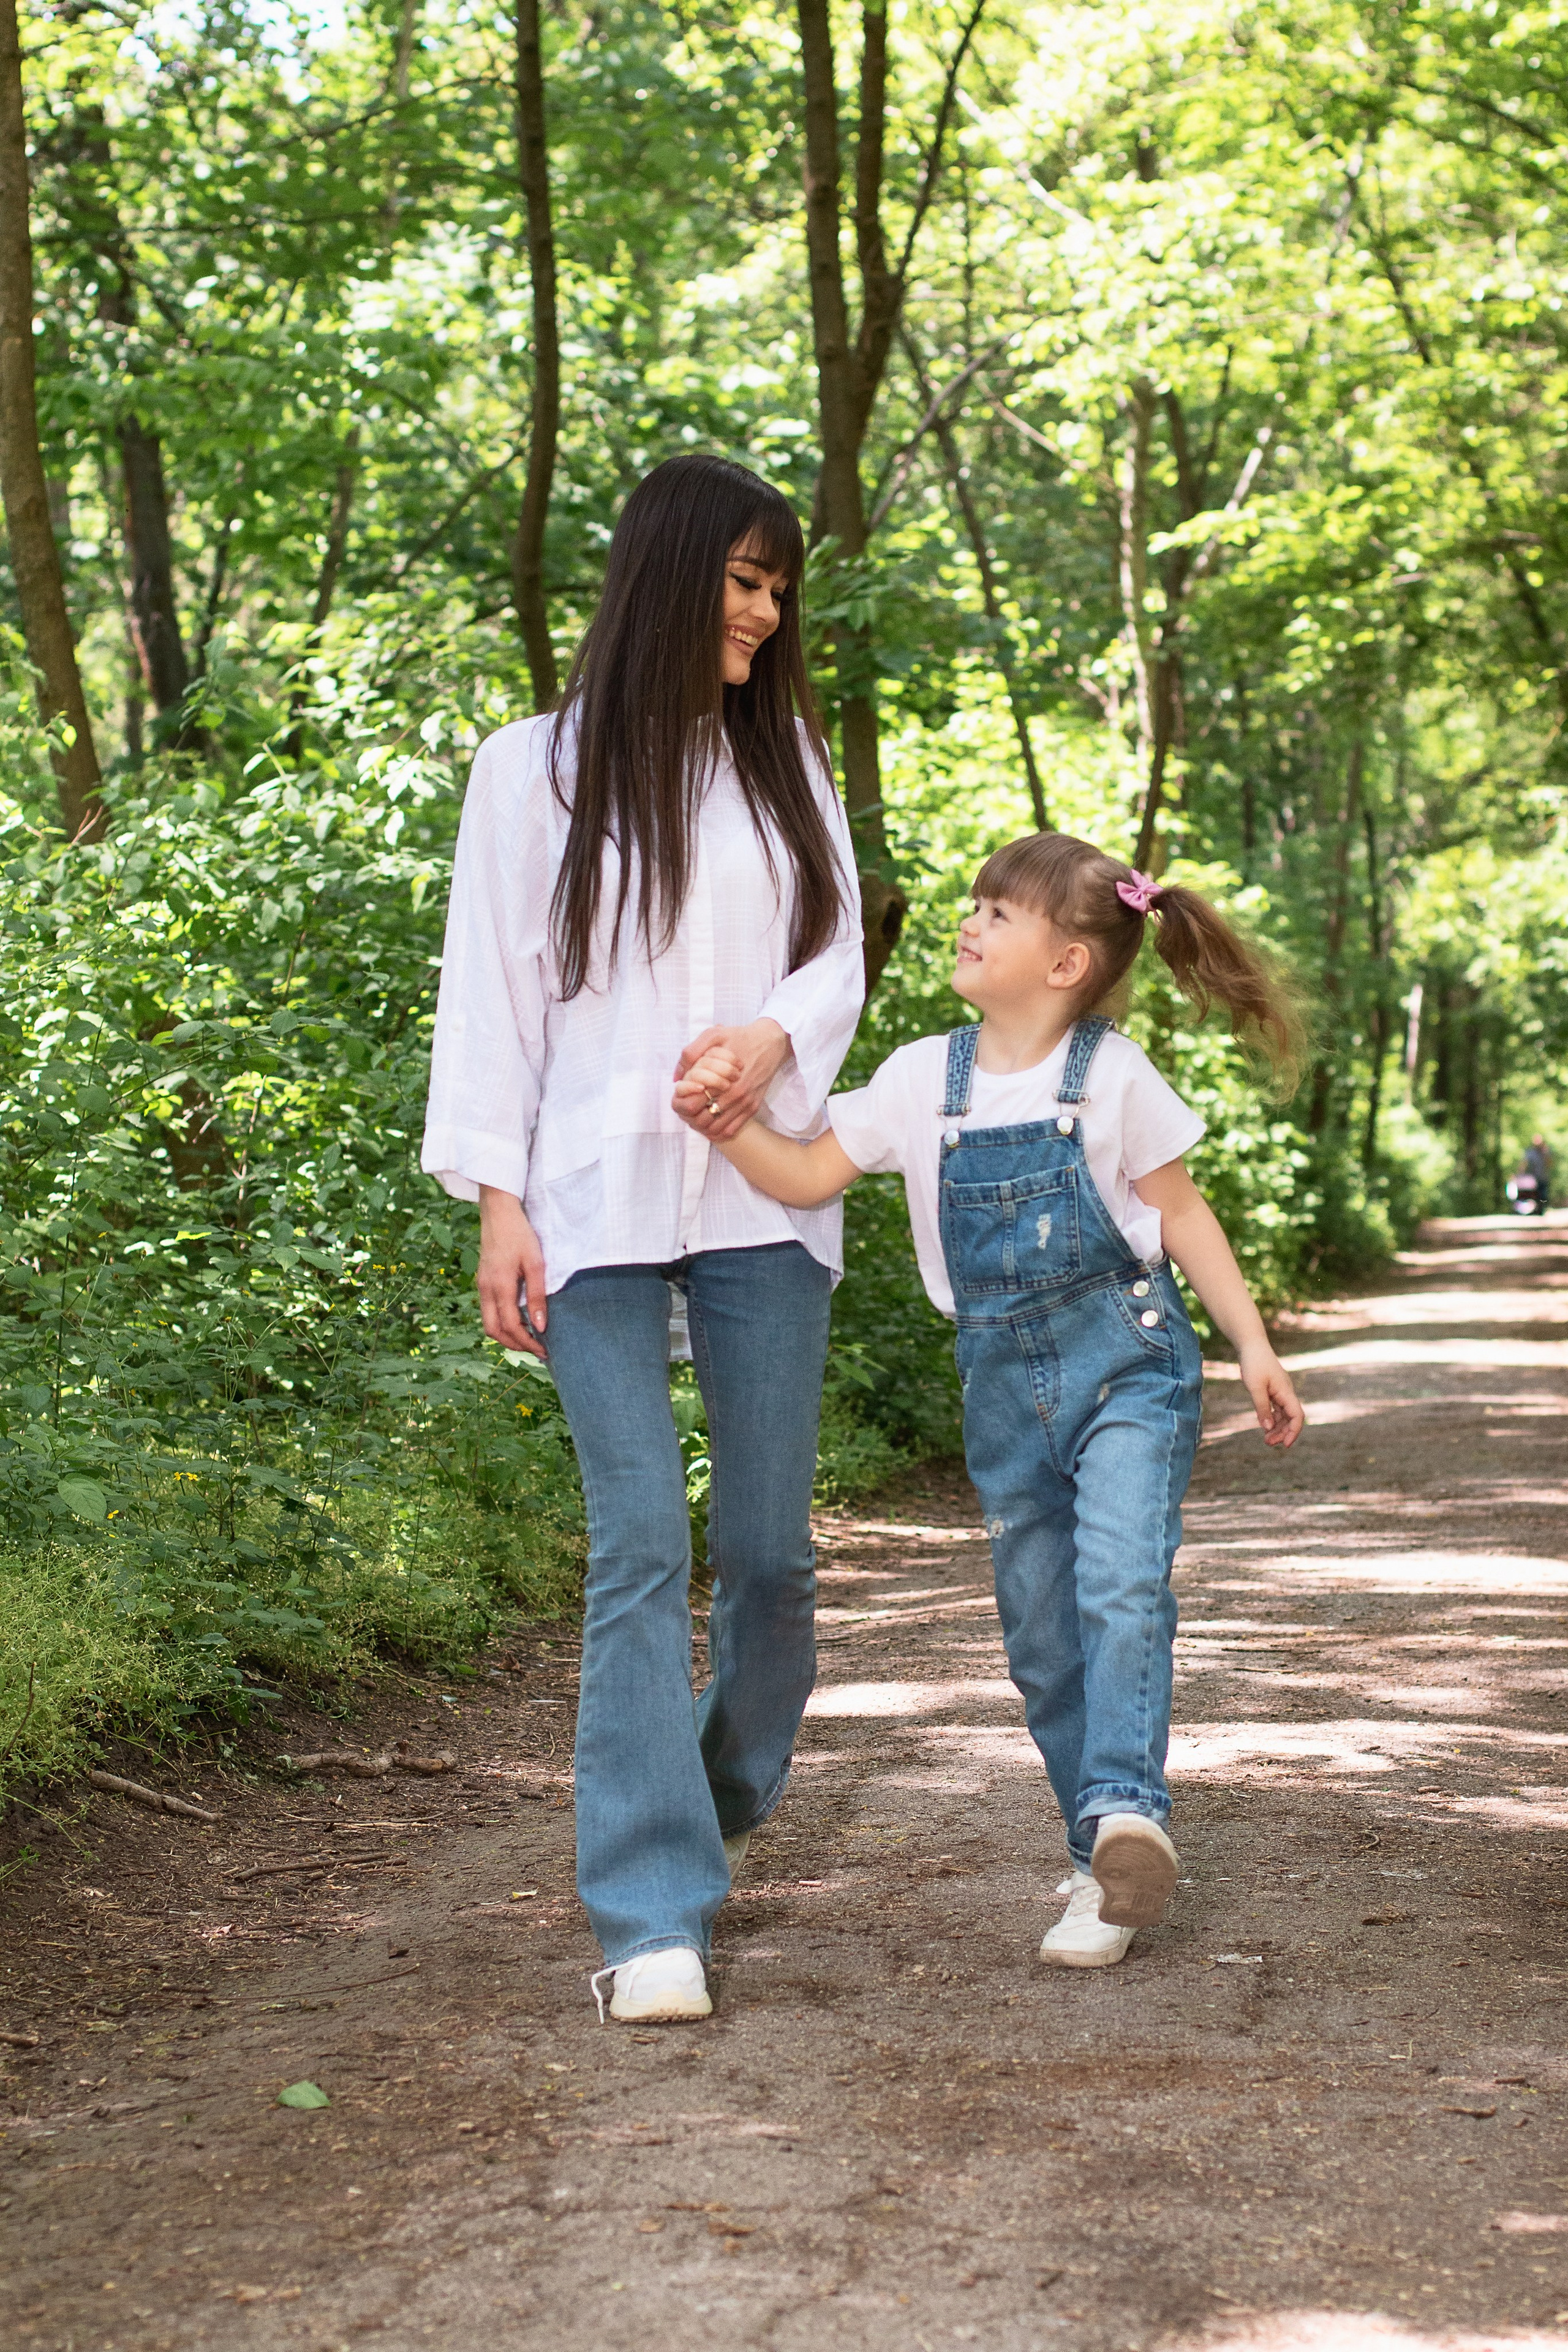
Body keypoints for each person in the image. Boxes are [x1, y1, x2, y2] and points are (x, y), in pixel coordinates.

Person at [674, 831, 1305, 1970]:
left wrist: (1252, 1346)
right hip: (1001, 1384)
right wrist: (736, 1128)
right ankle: (1099, 1869)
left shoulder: (1113, 1077)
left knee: (1119, 1582)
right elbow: (813, 1174)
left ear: (1066, 962)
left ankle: (1126, 1809)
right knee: (1040, 1643)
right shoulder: (923, 1077)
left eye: (999, 913)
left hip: (1129, 1362)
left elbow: (1184, 1216)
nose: (970, 921)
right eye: (977, 903)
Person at [421, 454, 863, 2022]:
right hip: (584, 1203)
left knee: (767, 1562)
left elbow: (837, 953)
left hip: (755, 1194)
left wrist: (765, 1038)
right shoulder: (524, 771)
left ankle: (698, 1795)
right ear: (673, 573)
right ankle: (648, 1910)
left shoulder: (783, 763)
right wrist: (495, 1201)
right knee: (637, 1545)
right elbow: (493, 997)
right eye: (743, 579)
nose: (762, 611)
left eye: (777, 587)